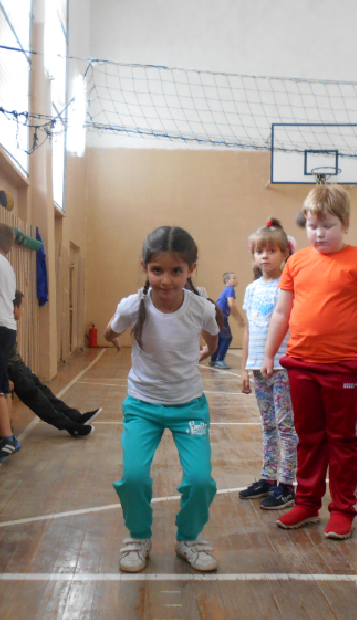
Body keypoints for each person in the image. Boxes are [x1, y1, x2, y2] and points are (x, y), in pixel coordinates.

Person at [262, 185, 357, 539]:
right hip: (301, 365)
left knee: (343, 439)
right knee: (309, 437)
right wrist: (269, 353)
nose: (319, 233)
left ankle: (343, 509)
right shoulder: (296, 262)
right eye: (312, 226)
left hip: (344, 365)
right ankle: (306, 503)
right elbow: (281, 312)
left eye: (327, 226)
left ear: (345, 223)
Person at [104, 225, 220, 574]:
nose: (166, 280)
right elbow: (111, 330)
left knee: (200, 480)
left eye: (176, 271)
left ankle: (189, 538)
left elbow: (213, 338)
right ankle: (138, 537)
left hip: (189, 407)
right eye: (157, 270)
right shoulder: (133, 305)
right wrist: (113, 337)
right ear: (145, 267)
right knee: (134, 477)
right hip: (142, 407)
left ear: (191, 270)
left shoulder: (201, 308)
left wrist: (206, 351)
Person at [239, 218, 298, 510]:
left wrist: (276, 357)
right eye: (260, 251)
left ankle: (287, 485)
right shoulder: (251, 289)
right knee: (268, 425)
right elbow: (249, 329)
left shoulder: (287, 286)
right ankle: (268, 478)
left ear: (285, 253)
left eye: (272, 251)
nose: (265, 256)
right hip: (257, 366)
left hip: (282, 366)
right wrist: (244, 368)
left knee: (285, 425)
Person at [8, 291, 101, 437]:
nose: (23, 310)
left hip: (19, 367)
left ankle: (75, 417)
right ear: (15, 308)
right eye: (22, 306)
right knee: (36, 397)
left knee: (43, 390)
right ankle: (69, 426)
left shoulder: (9, 324)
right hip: (11, 371)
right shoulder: (2, 327)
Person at [0, 223, 21, 462]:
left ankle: (5, 439)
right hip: (7, 327)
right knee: (2, 383)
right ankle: (8, 435)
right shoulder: (8, 266)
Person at [210, 272, 245, 369]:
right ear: (227, 281)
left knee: (220, 338)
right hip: (219, 316)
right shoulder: (230, 289)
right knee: (227, 337)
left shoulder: (226, 289)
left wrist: (238, 319)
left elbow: (230, 308)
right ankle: (220, 360)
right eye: (233, 278)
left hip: (216, 315)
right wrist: (240, 316)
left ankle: (213, 360)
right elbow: (231, 305)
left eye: (236, 278)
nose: (236, 280)